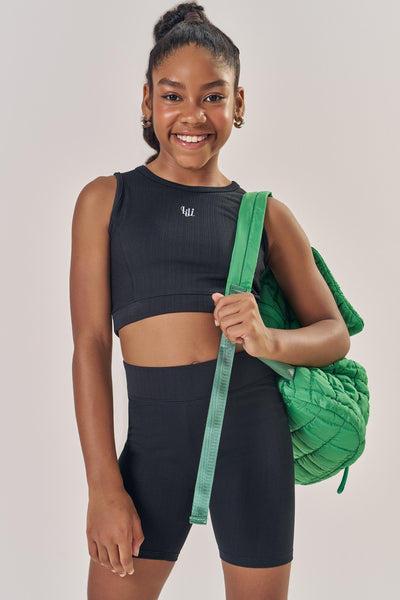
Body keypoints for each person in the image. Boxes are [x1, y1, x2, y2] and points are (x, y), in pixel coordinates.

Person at [69, 3, 350, 599]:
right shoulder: (106, 201)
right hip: (152, 452)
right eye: (172, 96)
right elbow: (90, 345)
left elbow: (334, 333)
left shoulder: (264, 215)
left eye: (213, 97)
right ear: (147, 101)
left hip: (253, 441)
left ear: (238, 104)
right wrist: (102, 486)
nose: (192, 115)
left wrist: (268, 339)